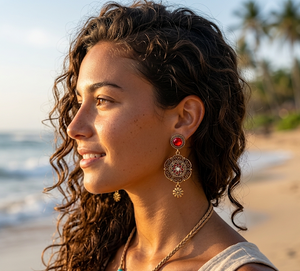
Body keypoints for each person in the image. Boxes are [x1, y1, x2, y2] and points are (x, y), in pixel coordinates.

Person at [43, 1, 278, 270]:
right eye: (79, 102)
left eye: (103, 100)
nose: (74, 127)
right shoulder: (99, 252)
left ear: (183, 118)